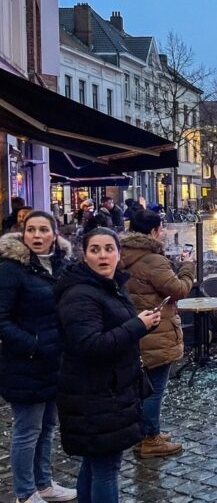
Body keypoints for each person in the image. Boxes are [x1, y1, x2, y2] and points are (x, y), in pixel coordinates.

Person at [55, 227, 161, 503]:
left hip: (109, 390)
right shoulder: (80, 294)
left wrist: (142, 323)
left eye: (109, 249)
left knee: (95, 464)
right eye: (95, 249)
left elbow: (112, 328)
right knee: (106, 469)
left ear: (118, 253)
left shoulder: (109, 286)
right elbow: (90, 345)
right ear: (84, 255)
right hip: (95, 394)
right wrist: (137, 325)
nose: (103, 255)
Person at [0, 212, 76, 503]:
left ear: (54, 234)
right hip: (25, 363)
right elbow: (2, 319)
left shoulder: (60, 265)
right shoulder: (11, 269)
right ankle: (25, 492)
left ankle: (43, 484)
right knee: (27, 430)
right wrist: (33, 345)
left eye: (43, 229)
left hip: (54, 361)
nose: (37, 235)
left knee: (47, 427)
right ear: (23, 234)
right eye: (31, 229)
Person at [121, 209, 194, 458]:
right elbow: (178, 290)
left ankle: (146, 432)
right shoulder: (152, 260)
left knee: (144, 386)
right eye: (161, 229)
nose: (162, 233)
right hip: (156, 331)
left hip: (135, 328)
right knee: (154, 389)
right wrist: (187, 266)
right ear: (154, 231)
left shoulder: (123, 254)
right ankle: (150, 439)